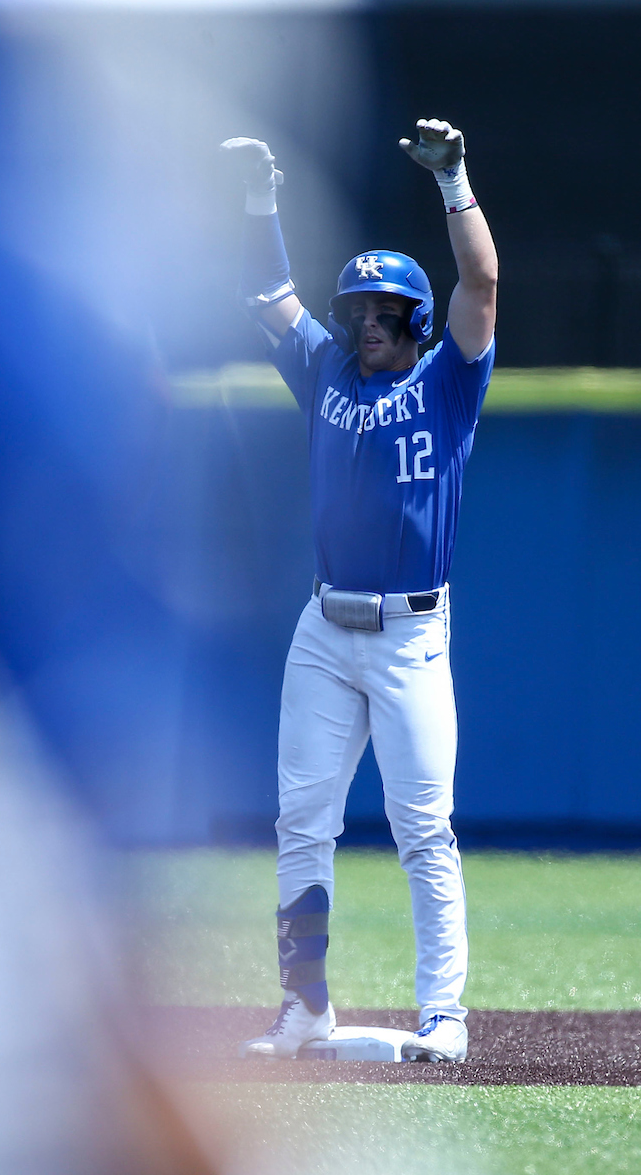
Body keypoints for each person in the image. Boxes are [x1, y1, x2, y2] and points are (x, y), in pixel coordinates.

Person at [220, 120, 498, 1062]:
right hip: (325, 627)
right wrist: (261, 198)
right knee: (302, 824)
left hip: (412, 636)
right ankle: (304, 1007)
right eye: (358, 309)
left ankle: (444, 1015)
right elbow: (268, 296)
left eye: (385, 308)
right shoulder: (327, 368)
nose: (367, 321)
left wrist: (454, 182)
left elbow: (482, 283)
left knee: (424, 829)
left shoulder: (449, 382)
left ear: (416, 320)